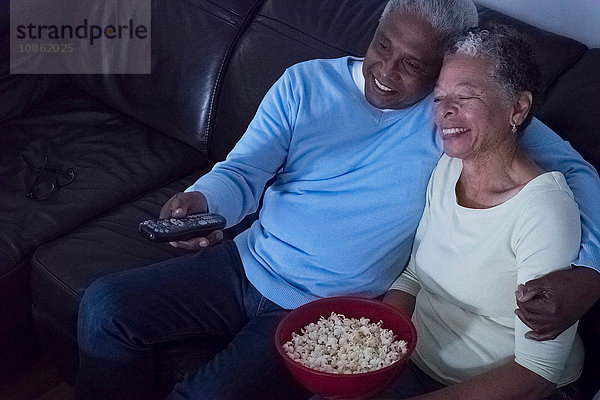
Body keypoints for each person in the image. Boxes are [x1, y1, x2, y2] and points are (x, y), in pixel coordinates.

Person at [74, 1, 600, 399]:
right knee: (104, 307)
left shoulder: (452, 121)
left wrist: (591, 271)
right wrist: (202, 202)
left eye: (413, 65)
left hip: (325, 308)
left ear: (442, 68)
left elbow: (575, 173)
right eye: (383, 46)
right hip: (246, 260)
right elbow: (244, 169)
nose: (386, 71)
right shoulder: (305, 84)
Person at [381, 25, 583, 400]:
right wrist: (374, 343)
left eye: (466, 96)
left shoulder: (544, 210)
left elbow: (537, 373)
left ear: (517, 107)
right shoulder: (447, 167)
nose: (446, 111)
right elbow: (413, 275)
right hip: (415, 360)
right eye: (440, 98)